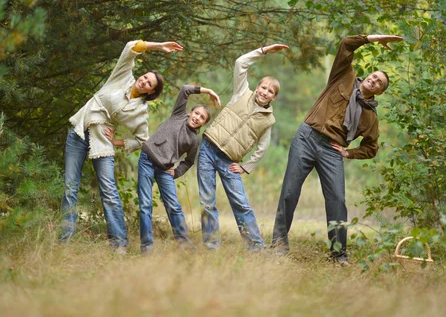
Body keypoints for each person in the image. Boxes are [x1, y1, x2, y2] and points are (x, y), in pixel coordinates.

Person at [271, 34, 403, 263]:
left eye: (379, 82)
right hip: (307, 137)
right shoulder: (344, 76)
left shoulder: (370, 117)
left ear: (380, 92)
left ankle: (338, 253)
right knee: (290, 193)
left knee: (337, 200)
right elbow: (346, 44)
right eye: (374, 76)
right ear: (368, 75)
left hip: (332, 151)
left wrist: (348, 152)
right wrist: (372, 39)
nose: (374, 80)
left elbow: (371, 148)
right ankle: (278, 244)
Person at [60, 39, 183, 253]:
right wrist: (159, 46)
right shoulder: (123, 76)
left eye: (149, 84)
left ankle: (119, 242)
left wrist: (118, 142)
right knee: (71, 187)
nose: (144, 82)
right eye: (145, 78)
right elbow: (130, 47)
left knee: (108, 190)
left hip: (102, 141)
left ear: (150, 92)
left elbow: (143, 139)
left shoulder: (140, 111)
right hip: (79, 131)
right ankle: (65, 238)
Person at [198, 43, 289, 251]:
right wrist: (264, 51)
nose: (265, 92)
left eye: (270, 91)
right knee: (207, 201)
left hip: (230, 161)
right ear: (257, 87)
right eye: (263, 87)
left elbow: (262, 148)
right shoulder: (242, 92)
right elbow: (240, 63)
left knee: (241, 204)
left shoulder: (268, 119)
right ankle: (211, 246)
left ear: (274, 97)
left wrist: (246, 166)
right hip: (208, 149)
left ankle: (256, 247)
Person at [120, 84, 221, 253]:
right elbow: (185, 90)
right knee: (145, 205)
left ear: (203, 123)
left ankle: (185, 245)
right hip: (147, 160)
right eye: (196, 113)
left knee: (174, 206)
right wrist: (209, 90)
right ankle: (147, 247)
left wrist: (176, 172)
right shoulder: (178, 115)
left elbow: (188, 161)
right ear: (190, 112)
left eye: (202, 117)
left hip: (165, 169)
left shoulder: (194, 141)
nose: (197, 117)